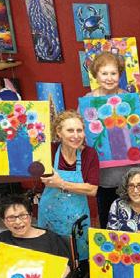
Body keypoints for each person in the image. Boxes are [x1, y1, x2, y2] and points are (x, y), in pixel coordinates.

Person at [84, 51, 140, 228]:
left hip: (128, 168)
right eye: (104, 73)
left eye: (113, 73)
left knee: (132, 215)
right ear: (96, 75)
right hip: (103, 171)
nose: (109, 78)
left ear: (120, 74)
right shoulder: (88, 101)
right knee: (107, 214)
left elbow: (138, 129)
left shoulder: (129, 99)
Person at [38, 110, 99, 260]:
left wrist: (61, 183)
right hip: (50, 215)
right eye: (70, 130)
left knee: (79, 256)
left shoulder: (89, 154)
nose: (76, 135)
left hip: (78, 217)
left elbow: (92, 189)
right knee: (53, 256)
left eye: (80, 130)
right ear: (59, 132)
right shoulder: (48, 151)